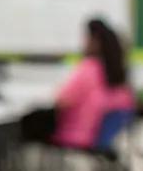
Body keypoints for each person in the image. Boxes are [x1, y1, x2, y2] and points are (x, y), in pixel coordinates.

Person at [22, 18, 134, 151]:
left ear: (94, 41)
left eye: (85, 38)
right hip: (92, 134)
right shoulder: (109, 73)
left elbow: (61, 100)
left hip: (73, 135)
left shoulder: (88, 68)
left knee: (25, 125)